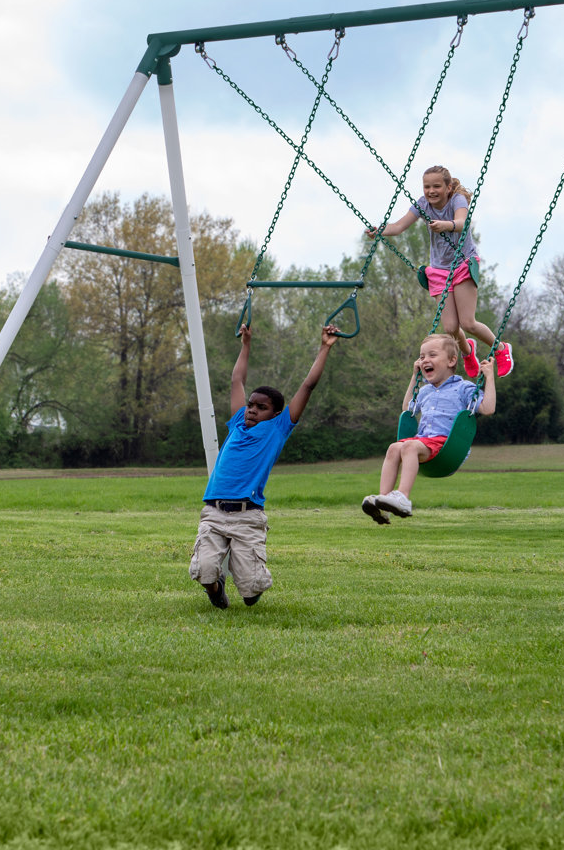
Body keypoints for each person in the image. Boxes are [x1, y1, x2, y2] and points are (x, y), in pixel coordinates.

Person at [189, 323, 340, 608]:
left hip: (248, 516)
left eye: (261, 408)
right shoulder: (236, 423)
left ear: (276, 413)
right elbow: (237, 380)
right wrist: (245, 344)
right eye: (251, 405)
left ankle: (246, 578)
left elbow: (308, 386)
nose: (252, 411)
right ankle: (216, 588)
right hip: (215, 510)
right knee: (205, 571)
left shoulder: (278, 428)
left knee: (251, 593)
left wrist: (324, 347)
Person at [367, 164, 513, 380]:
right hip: (439, 270)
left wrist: (446, 225)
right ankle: (467, 351)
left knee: (468, 323)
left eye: (436, 186)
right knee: (451, 327)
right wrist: (380, 231)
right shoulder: (423, 204)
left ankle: (501, 348)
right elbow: (398, 227)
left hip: (462, 263)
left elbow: (463, 223)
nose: (431, 191)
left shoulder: (457, 200)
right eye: (427, 187)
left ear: (448, 187)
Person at [361, 333, 496, 524]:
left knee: (409, 447)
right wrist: (414, 377)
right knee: (394, 448)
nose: (425, 360)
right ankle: (383, 502)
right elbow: (408, 409)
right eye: (422, 356)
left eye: (432, 355)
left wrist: (489, 378)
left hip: (447, 446)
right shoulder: (424, 391)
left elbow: (488, 408)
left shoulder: (464, 388)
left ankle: (403, 498)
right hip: (424, 442)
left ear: (451, 360)